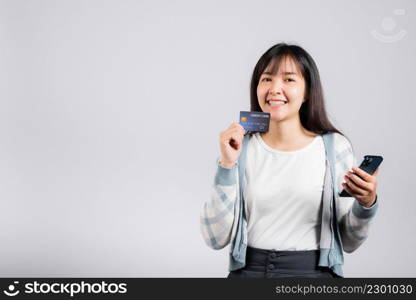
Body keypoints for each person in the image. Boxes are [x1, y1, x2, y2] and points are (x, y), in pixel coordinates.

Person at [200, 42, 380, 278]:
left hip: (313, 276)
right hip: (248, 275)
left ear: (307, 92)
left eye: (288, 79)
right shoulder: (241, 149)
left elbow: (349, 241)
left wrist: (366, 203)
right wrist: (226, 165)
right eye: (266, 79)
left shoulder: (334, 147)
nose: (275, 88)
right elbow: (215, 238)